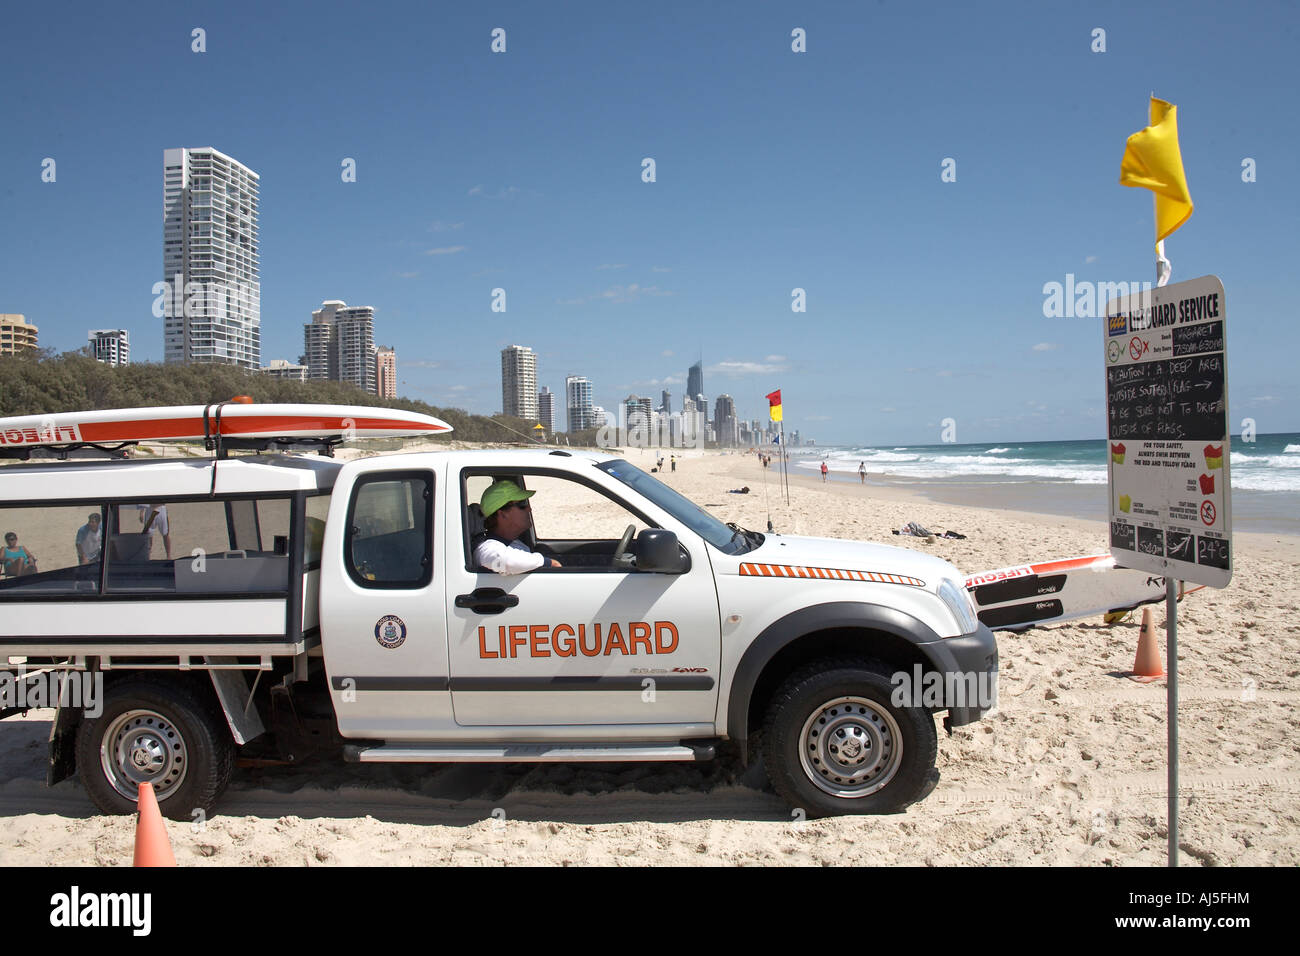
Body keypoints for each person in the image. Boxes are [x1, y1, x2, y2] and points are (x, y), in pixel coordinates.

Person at [473, 479, 561, 574]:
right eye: (522, 505)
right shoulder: (486, 549)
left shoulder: (515, 544)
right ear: (503, 514)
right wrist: (548, 562)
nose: (529, 508)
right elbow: (506, 563)